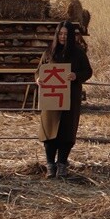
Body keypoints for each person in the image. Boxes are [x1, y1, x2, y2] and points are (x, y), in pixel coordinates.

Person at [37, 21, 93, 179]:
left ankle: (62, 164)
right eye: (60, 34)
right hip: (51, 98)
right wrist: (38, 79)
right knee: (49, 132)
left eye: (66, 34)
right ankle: (50, 165)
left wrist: (76, 75)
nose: (63, 37)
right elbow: (39, 70)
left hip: (70, 98)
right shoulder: (49, 52)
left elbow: (88, 71)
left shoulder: (78, 53)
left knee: (66, 132)